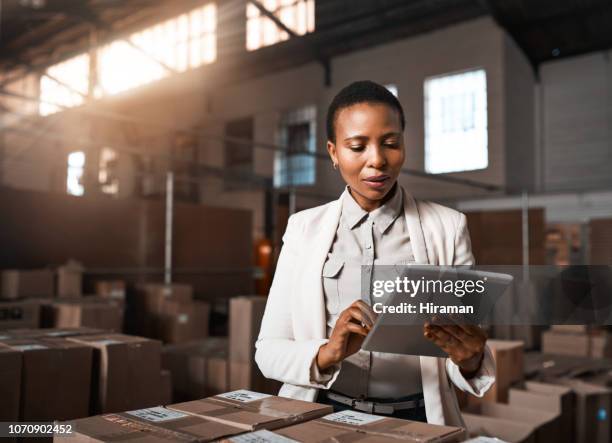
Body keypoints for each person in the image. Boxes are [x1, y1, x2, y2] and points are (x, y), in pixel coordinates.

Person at [255, 80, 495, 427]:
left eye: (391, 143)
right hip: (321, 414)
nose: (378, 160)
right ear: (334, 152)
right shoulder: (303, 228)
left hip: (416, 419)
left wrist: (470, 359)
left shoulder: (448, 227)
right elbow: (269, 351)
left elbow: (464, 352)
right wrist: (328, 353)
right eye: (357, 146)